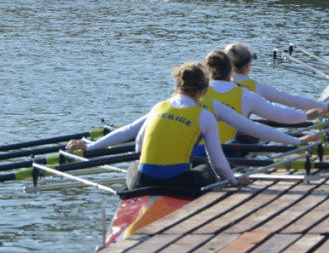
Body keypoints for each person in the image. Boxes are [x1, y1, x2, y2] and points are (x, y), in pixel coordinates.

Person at [67, 62, 248, 191]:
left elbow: (133, 135)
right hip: (180, 185)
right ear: (204, 91)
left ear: (177, 87)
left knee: (135, 165)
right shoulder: (205, 115)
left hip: (141, 183)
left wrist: (89, 147)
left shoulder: (158, 107)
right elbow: (219, 164)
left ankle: (131, 197)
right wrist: (233, 181)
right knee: (209, 167)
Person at [201, 50, 323, 144]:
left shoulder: (194, 94)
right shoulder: (245, 95)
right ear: (231, 71)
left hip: (194, 154)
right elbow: (261, 126)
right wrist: (306, 119)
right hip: (223, 153)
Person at [225, 42, 329, 118]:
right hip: (238, 140)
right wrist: (324, 106)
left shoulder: (213, 85)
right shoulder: (256, 88)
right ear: (249, 63)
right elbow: (293, 101)